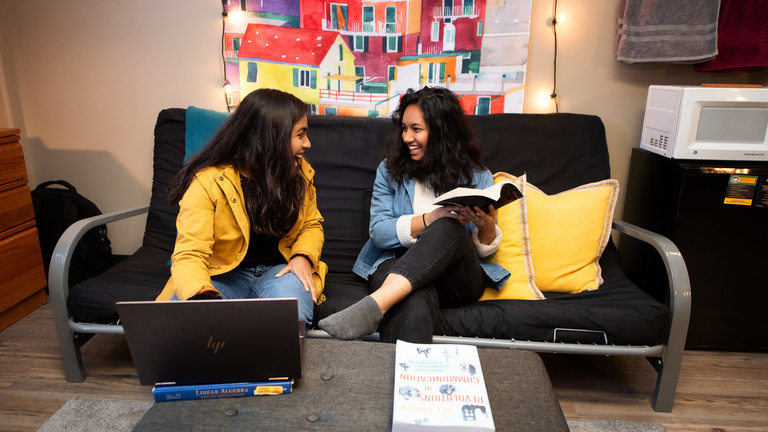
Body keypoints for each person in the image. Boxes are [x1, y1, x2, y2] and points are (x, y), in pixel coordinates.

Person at [318, 86, 509, 342]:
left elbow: (476, 253)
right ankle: (408, 379)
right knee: (415, 296)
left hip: (456, 279)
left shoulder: (477, 177)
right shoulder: (389, 170)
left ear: (442, 132)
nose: (407, 137)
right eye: (404, 129)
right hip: (393, 264)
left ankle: (374, 305)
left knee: (448, 226)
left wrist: (487, 229)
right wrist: (429, 218)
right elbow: (379, 233)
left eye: (416, 129)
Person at [155, 88, 327, 325]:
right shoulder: (208, 182)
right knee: (188, 321)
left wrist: (303, 257)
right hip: (221, 276)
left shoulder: (300, 173)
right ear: (272, 137)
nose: (307, 143)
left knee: (290, 316)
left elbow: (311, 225)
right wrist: (203, 298)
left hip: (280, 271)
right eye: (300, 135)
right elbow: (189, 254)